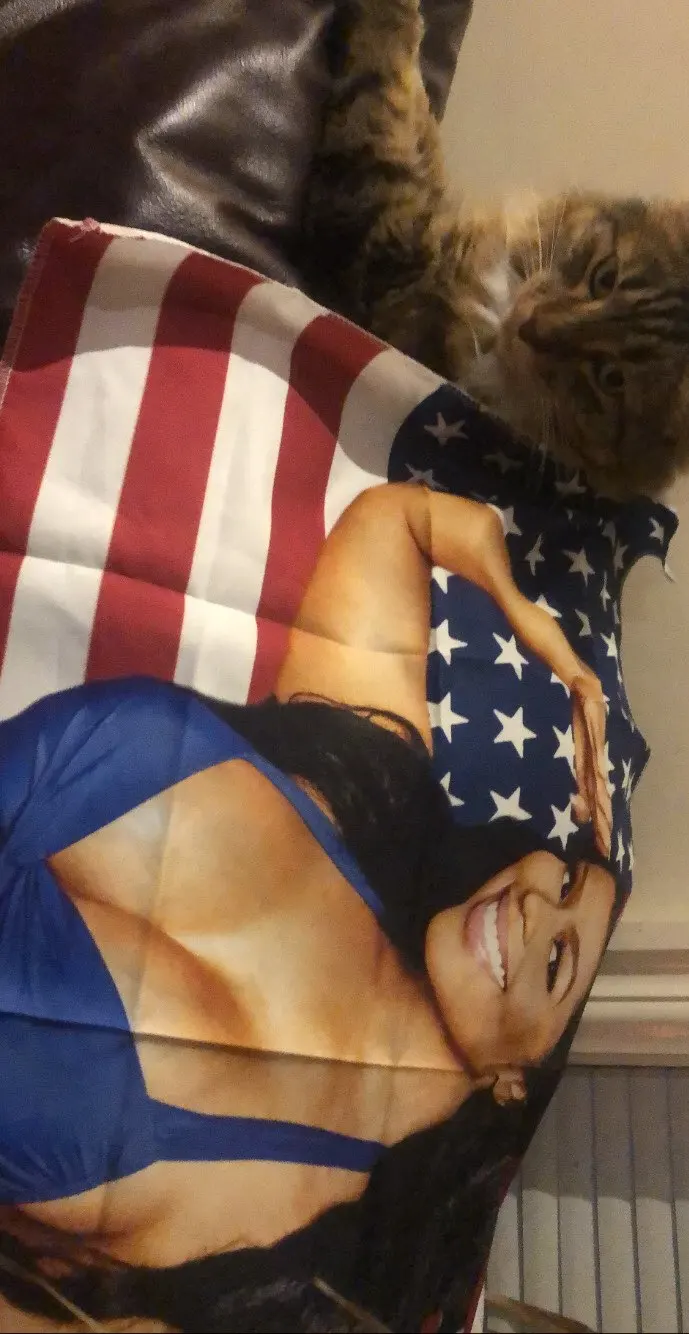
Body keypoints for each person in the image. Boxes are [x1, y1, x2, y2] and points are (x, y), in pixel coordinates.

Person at [0, 484, 617, 1332]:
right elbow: (404, 521)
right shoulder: (370, 798)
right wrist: (544, 637)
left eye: (559, 956)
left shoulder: (302, 1269)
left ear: (515, 1084)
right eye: (568, 880)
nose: (536, 904)